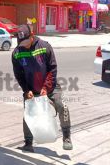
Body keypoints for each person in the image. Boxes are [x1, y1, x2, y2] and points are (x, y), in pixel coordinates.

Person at [12, 24, 73, 152]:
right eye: (21, 43)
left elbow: (52, 69)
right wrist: (26, 90)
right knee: (28, 114)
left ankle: (66, 136)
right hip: (30, 89)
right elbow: (19, 74)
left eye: (26, 42)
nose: (24, 45)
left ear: (32, 36)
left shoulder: (45, 47)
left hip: (50, 87)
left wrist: (46, 87)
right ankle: (28, 143)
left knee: (62, 106)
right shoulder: (17, 53)